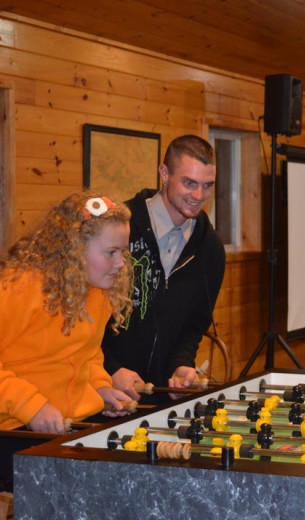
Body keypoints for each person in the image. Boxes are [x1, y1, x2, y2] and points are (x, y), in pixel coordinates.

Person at [0, 192, 134, 489]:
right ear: (74, 250)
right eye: (111, 253)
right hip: (14, 425)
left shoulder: (98, 292)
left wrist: (100, 385)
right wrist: (31, 405)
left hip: (72, 421)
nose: (121, 264)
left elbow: (87, 353)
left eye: (122, 253)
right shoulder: (20, 286)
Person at [101, 135, 226, 403]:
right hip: (104, 391)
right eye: (189, 183)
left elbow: (194, 326)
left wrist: (181, 365)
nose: (199, 196)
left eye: (207, 186)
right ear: (164, 173)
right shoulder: (120, 228)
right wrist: (110, 370)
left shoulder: (211, 249)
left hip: (160, 398)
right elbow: (83, 316)